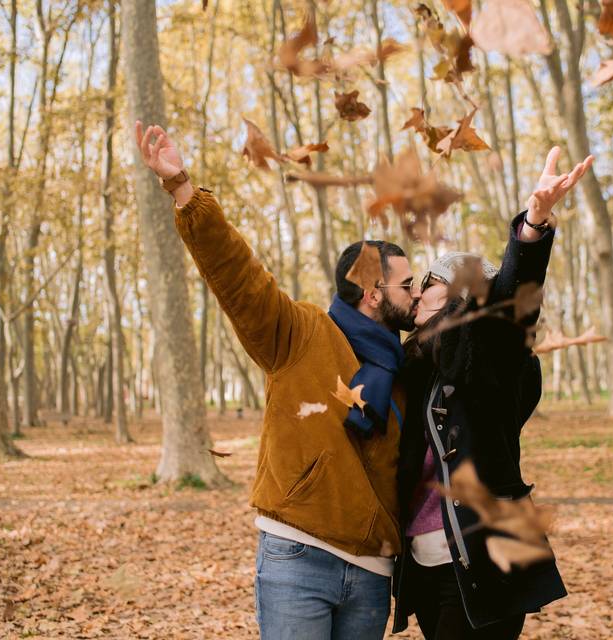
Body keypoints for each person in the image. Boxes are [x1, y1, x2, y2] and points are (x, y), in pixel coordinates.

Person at [134, 121, 419, 640]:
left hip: (375, 573)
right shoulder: (302, 333)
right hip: (298, 557)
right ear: (374, 293)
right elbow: (239, 278)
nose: (416, 293)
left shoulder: (404, 370)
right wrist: (183, 191)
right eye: (406, 284)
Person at [392, 147, 593, 639]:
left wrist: (535, 222)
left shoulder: (493, 356)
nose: (416, 293)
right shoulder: (420, 366)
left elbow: (511, 301)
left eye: (428, 283)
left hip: (491, 555)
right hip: (431, 561)